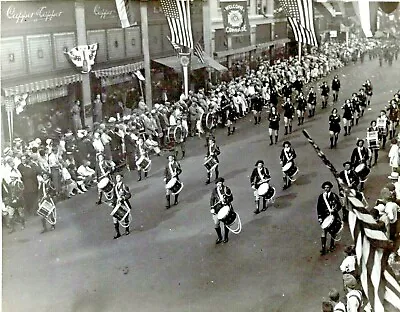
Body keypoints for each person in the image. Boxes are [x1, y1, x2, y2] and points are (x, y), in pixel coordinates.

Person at [317, 181, 342, 255]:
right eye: (325, 187)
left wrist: (335, 209)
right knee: (323, 231)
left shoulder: (334, 196)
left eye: (328, 187)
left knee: (333, 231)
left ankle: (332, 244)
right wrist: (320, 217)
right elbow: (319, 208)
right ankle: (323, 247)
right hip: (325, 216)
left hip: (333, 216)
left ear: (330, 188)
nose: (326, 189)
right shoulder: (321, 197)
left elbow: (339, 205)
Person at [209, 177, 233, 244]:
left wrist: (226, 200)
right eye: (217, 183)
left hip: (226, 208)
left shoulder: (226, 189)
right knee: (216, 224)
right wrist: (212, 208)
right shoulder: (214, 190)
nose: (219, 184)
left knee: (226, 223)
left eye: (220, 183)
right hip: (217, 209)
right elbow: (212, 199)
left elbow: (231, 198)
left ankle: (226, 237)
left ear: (222, 183)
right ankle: (219, 237)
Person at [111, 173, 132, 239]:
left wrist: (122, 198)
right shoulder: (115, 187)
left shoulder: (124, 186)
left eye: (119, 177)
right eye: (116, 178)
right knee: (115, 218)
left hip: (124, 204)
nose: (117, 179)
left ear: (121, 178)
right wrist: (113, 202)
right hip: (117, 204)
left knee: (125, 217)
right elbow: (114, 197)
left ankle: (127, 230)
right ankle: (118, 233)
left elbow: (129, 195)